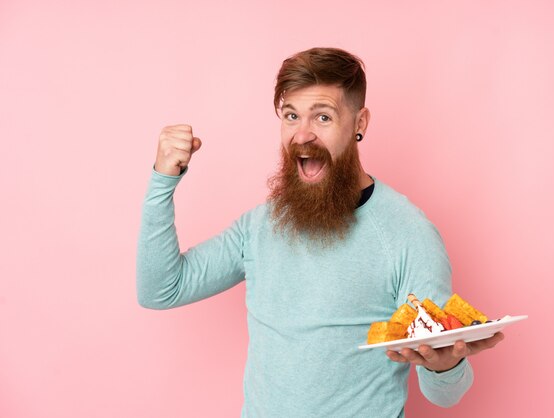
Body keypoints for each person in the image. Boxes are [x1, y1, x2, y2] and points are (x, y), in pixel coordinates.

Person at [137, 47, 503, 417]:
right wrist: (162, 181)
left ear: (360, 123)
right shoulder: (259, 226)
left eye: (323, 117)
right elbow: (162, 290)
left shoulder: (408, 234)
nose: (303, 134)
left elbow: (445, 394)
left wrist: (444, 365)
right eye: (291, 116)